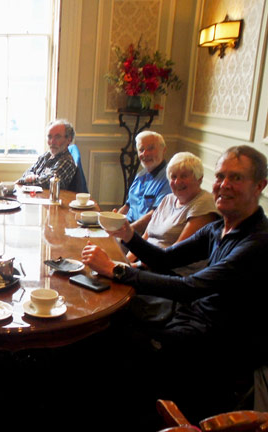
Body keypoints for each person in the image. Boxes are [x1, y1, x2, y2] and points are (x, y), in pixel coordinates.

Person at [81, 145, 268, 424]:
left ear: (259, 186)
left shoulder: (258, 242)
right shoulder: (219, 228)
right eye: (220, 177)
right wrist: (129, 235)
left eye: (236, 178)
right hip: (192, 318)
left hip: (222, 342)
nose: (224, 185)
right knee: (110, 326)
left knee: (117, 343)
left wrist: (117, 270)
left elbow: (190, 287)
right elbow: (166, 259)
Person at [128, 151, 219, 276]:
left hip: (173, 271)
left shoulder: (204, 203)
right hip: (148, 262)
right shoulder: (168, 199)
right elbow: (146, 236)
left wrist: (133, 267)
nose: (177, 182)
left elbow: (175, 254)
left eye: (184, 176)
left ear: (199, 178)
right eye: (173, 177)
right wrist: (126, 261)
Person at [117, 131, 172, 233]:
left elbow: (155, 216)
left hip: (143, 235)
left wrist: (126, 232)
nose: (145, 154)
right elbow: (127, 206)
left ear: (163, 150)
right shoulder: (141, 174)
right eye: (141, 150)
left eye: (151, 148)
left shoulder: (169, 178)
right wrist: (114, 220)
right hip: (127, 228)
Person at [17, 119, 77, 189]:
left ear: (68, 139)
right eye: (49, 137)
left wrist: (22, 181)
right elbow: (29, 171)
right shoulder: (47, 155)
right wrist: (30, 176)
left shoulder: (67, 161)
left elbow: (47, 182)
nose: (52, 142)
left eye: (57, 137)